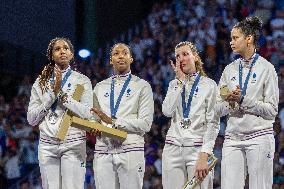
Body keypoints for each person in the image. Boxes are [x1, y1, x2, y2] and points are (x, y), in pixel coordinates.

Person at [216, 16, 279, 189]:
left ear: (249, 39)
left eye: (235, 38)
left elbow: (272, 110)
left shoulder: (267, 69)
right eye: (231, 38)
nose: (231, 42)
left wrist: (243, 100)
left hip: (259, 137)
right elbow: (216, 108)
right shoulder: (229, 70)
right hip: (232, 138)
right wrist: (230, 103)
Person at [27, 37, 93, 189]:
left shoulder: (82, 80)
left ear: (71, 55)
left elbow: (88, 114)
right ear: (51, 56)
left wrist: (63, 96)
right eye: (57, 49)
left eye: (66, 48)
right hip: (47, 144)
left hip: (73, 141)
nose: (62, 51)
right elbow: (31, 119)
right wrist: (50, 97)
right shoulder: (40, 82)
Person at [92, 43, 154, 189]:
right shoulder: (99, 87)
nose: (120, 56)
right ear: (110, 60)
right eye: (116, 53)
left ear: (131, 58)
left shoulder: (142, 86)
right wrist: (93, 127)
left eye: (125, 53)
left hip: (130, 148)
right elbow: (94, 120)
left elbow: (146, 124)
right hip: (104, 150)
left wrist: (114, 122)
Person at [162, 41, 219, 189]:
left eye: (185, 54)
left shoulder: (209, 85)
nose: (181, 59)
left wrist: (205, 154)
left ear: (195, 57)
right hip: (172, 149)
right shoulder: (174, 84)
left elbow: (213, 123)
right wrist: (180, 81)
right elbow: (167, 111)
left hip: (197, 150)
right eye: (178, 56)